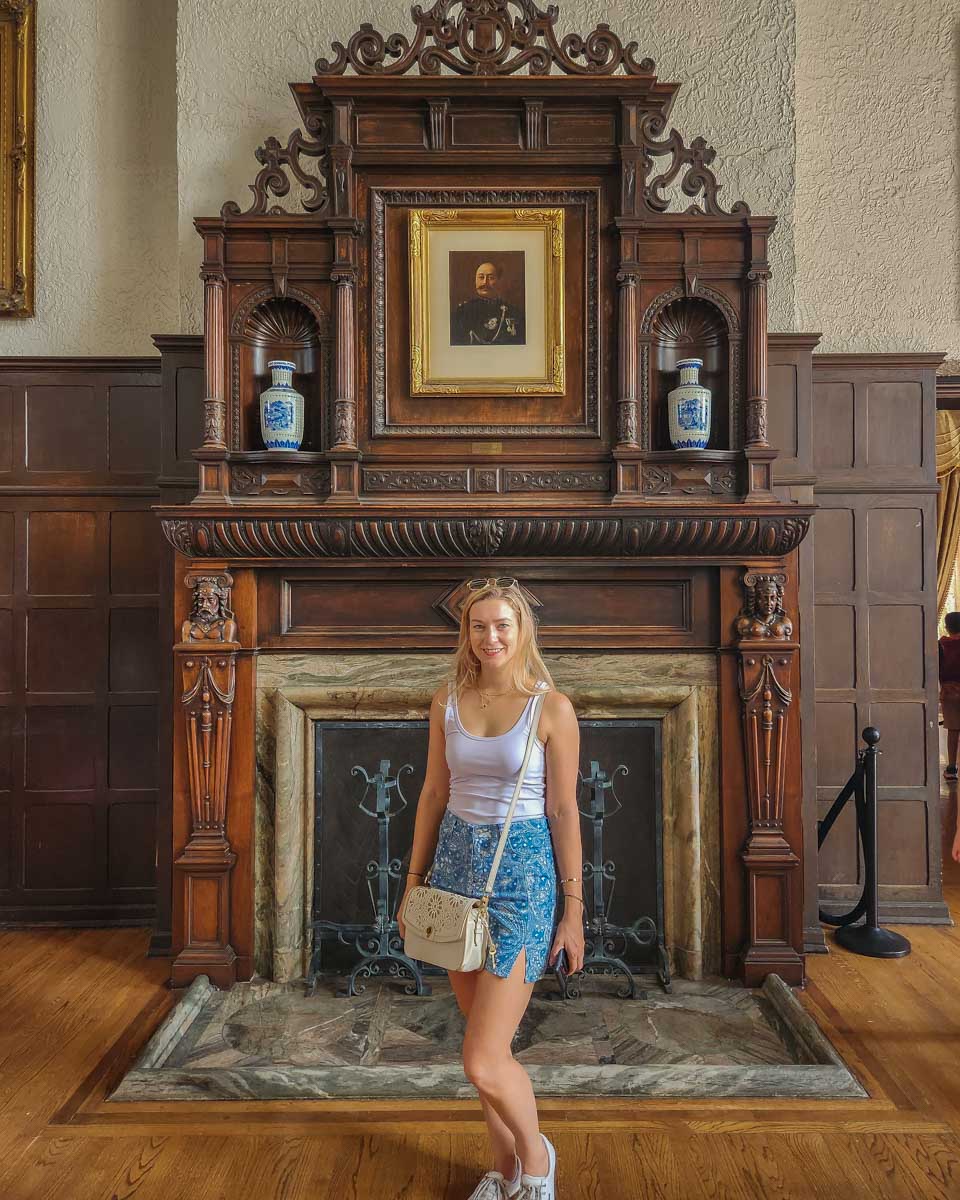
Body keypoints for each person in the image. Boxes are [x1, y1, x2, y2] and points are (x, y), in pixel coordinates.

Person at [398, 577, 584, 1200]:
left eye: (502, 624)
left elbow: (563, 811)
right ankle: (502, 1168)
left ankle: (536, 1162)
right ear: (466, 634)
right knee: (483, 1047)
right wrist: (413, 882)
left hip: (524, 880)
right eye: (479, 626)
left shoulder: (550, 709)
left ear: (523, 628)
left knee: (482, 1056)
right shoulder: (447, 701)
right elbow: (433, 792)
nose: (491, 637)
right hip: (452, 874)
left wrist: (574, 912)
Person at [450, 261, 526, 346]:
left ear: (499, 281)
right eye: (481, 277)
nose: (484, 282)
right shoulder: (461, 312)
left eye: (491, 278)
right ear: (475, 281)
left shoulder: (513, 312)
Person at [940, 611, 960, 786]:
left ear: (947, 627)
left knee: (953, 731)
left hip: (950, 692)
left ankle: (952, 769)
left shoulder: (942, 645)